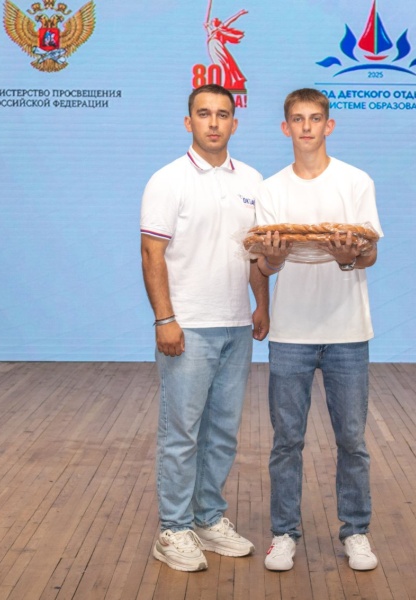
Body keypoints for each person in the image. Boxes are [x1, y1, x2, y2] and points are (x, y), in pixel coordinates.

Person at [140, 83, 269, 572]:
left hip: (236, 327)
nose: (213, 122)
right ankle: (173, 529)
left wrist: (261, 305)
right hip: (188, 328)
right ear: (188, 121)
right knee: (181, 434)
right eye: (203, 113)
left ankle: (207, 518)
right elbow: (152, 253)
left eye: (222, 114)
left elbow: (256, 253)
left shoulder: (253, 180)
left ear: (235, 123)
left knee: (223, 434)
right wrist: (165, 319)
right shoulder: (167, 180)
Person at [253, 88, 383, 572]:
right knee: (286, 440)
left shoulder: (356, 181)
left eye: (314, 118)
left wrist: (350, 256)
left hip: (348, 330)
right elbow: (264, 263)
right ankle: (283, 534)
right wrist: (272, 258)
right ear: (285, 127)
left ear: (329, 125)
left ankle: (356, 532)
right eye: (297, 119)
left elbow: (370, 252)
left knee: (352, 440)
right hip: (291, 333)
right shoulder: (270, 189)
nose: (306, 127)